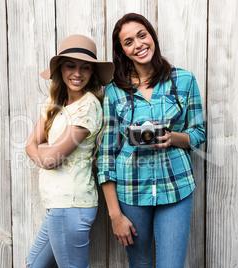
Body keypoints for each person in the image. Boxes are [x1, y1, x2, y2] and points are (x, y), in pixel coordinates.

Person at [97, 13, 206, 268]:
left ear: (152, 36)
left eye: (142, 35)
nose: (138, 45)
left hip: (176, 187)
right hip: (131, 191)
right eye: (128, 42)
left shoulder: (184, 80)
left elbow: (199, 133)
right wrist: (114, 214)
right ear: (122, 51)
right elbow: (106, 155)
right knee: (141, 264)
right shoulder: (114, 91)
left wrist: (172, 137)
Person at [25, 34, 114, 268]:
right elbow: (28, 144)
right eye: (70, 66)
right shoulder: (54, 102)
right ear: (60, 69)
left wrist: (43, 150)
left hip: (72, 205)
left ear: (92, 72)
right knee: (33, 265)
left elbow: (52, 158)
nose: (77, 73)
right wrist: (43, 151)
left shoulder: (89, 106)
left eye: (85, 68)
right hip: (57, 205)